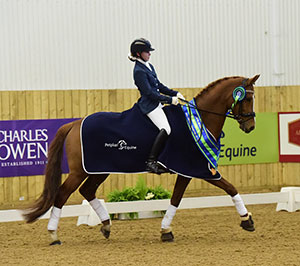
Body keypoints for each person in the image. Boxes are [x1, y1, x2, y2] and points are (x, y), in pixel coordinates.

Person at [128, 38, 185, 174]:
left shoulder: (149, 66)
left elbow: (158, 85)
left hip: (157, 103)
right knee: (166, 128)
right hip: (149, 106)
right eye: (147, 51)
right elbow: (149, 93)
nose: (149, 54)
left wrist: (175, 93)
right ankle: (151, 161)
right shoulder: (138, 71)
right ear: (138, 54)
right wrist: (170, 100)